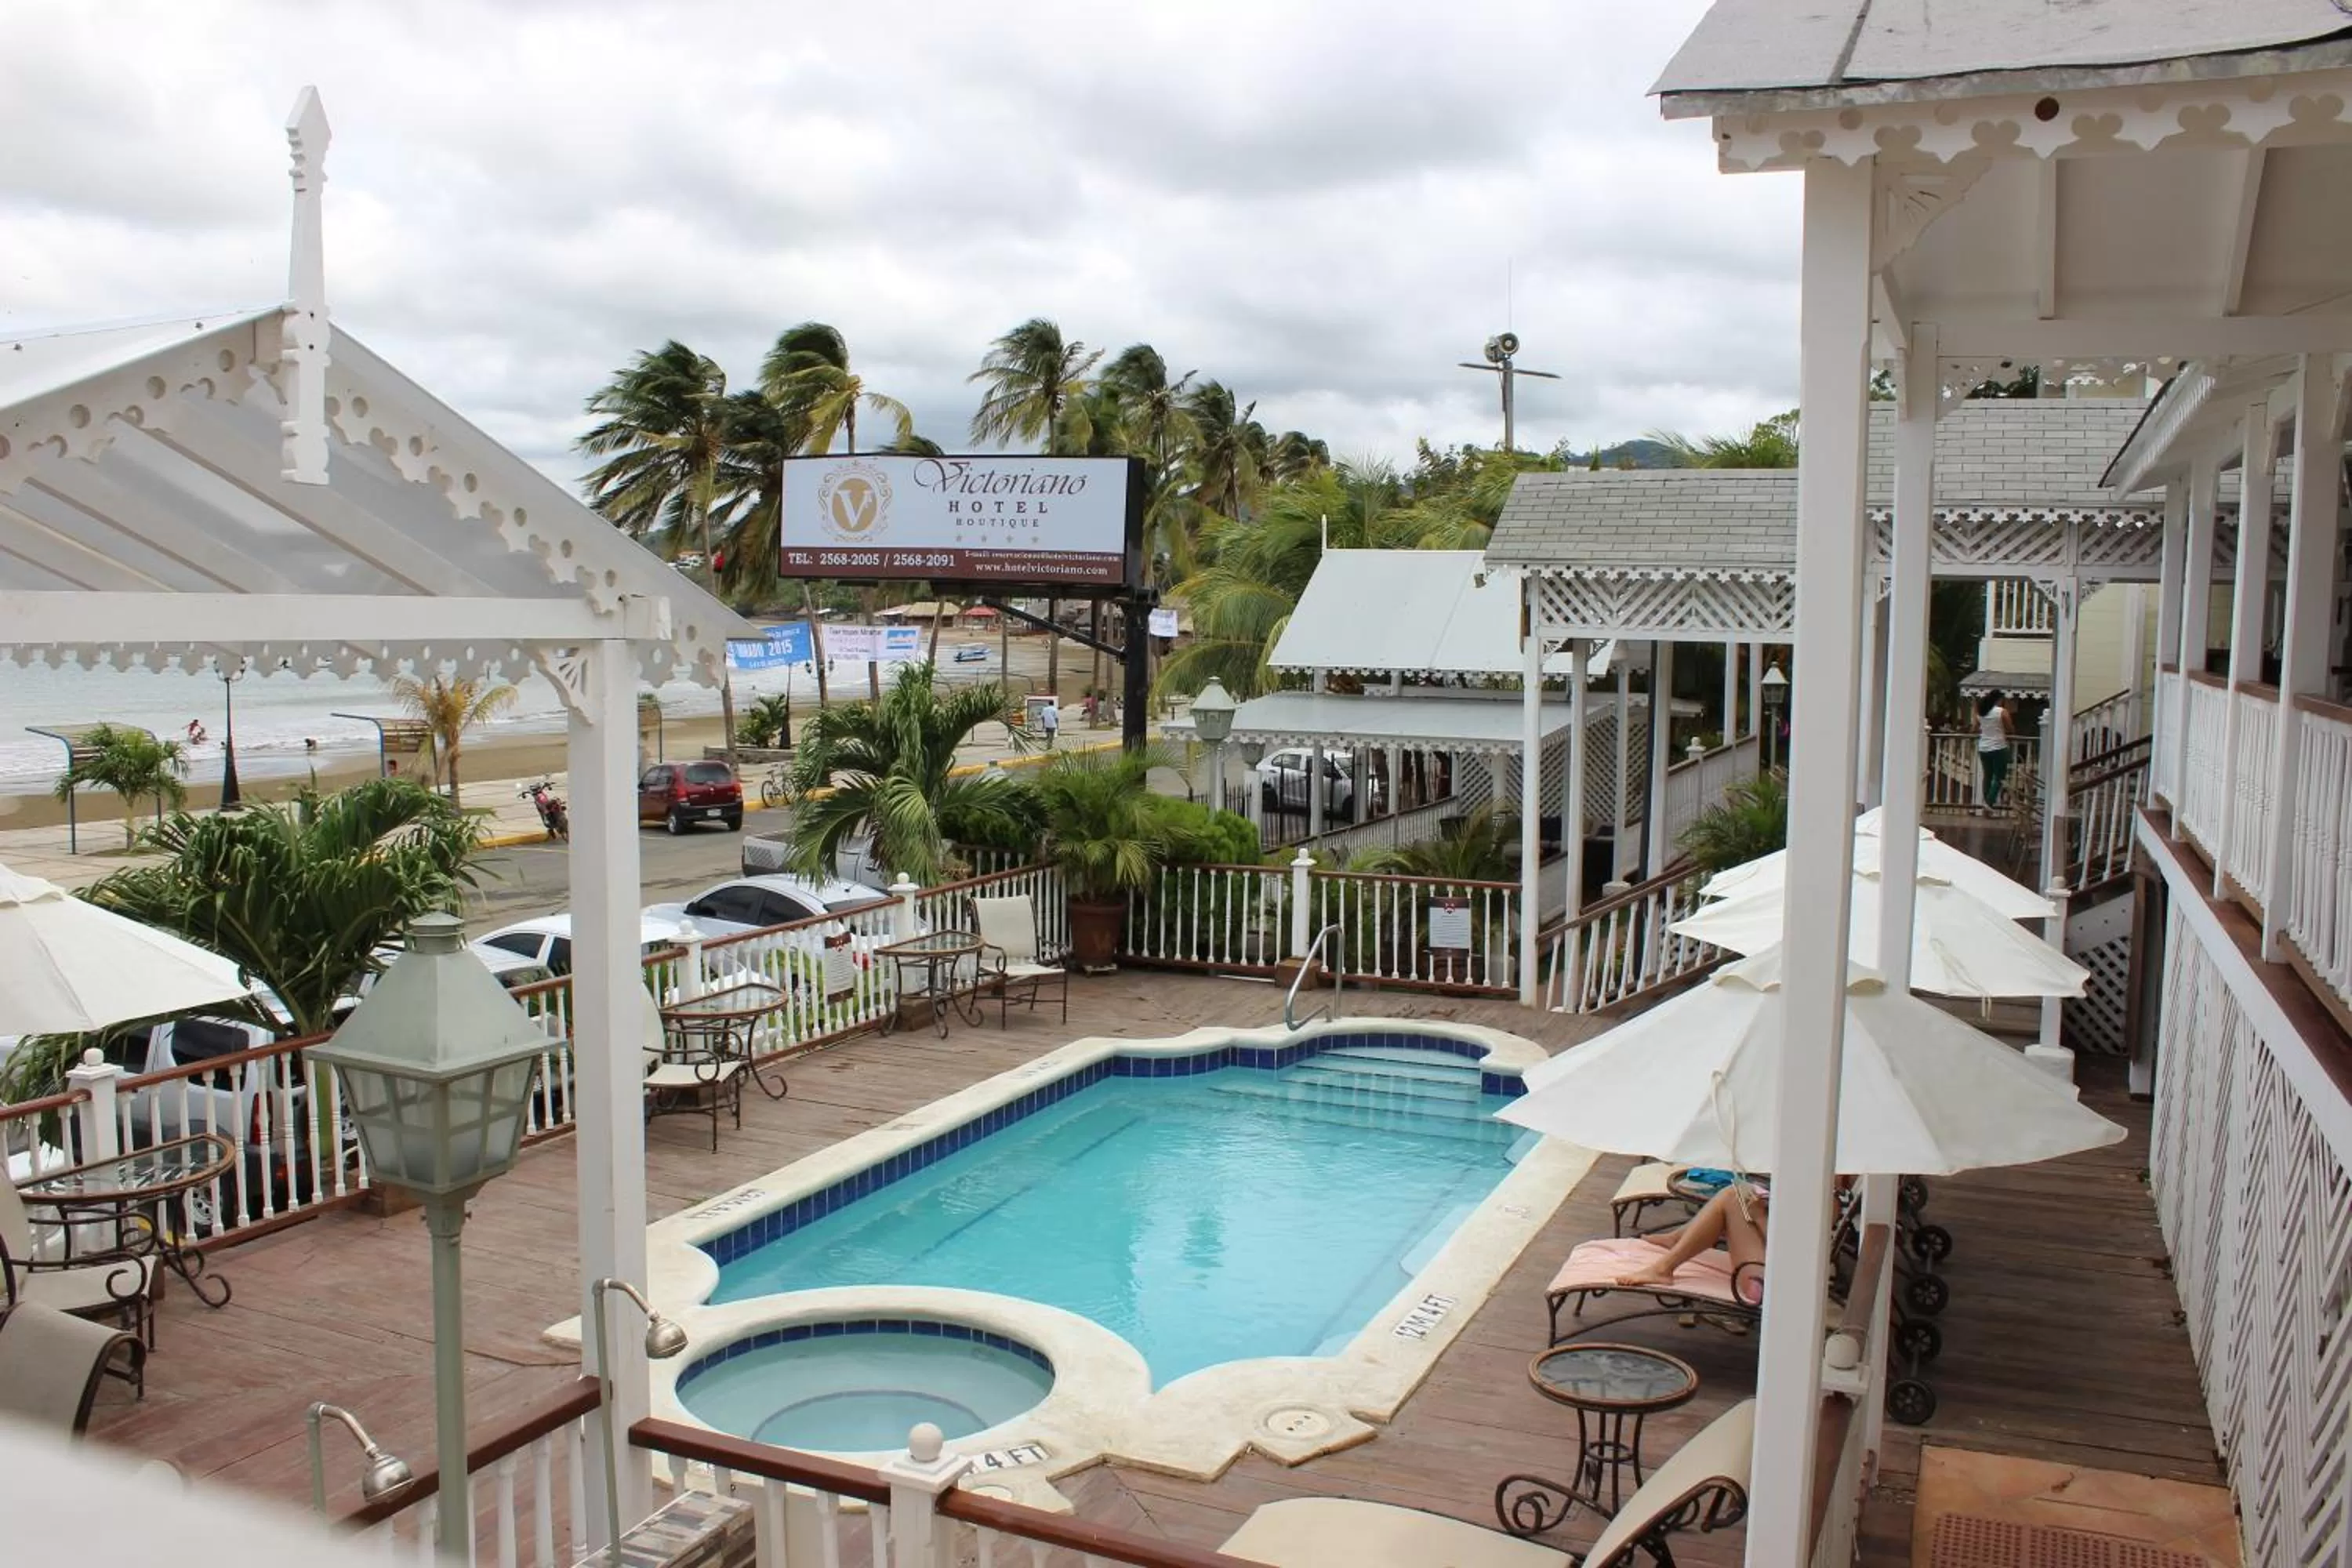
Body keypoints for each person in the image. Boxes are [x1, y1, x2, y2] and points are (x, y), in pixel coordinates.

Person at [1615, 1179, 1769, 1305]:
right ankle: (1676, 1240)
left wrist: (1759, 1217)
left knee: (1733, 1195)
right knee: (1739, 1191)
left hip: (1767, 1287)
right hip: (1769, 1273)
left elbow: (1786, 1251)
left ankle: (1663, 1268)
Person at [1976, 693, 2013, 813]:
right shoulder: (2002, 712)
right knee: (1999, 776)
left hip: (1983, 747)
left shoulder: (1981, 712)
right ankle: (1989, 802)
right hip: (1998, 747)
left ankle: (1986, 804)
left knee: (1988, 776)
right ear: (1999, 700)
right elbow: (2010, 728)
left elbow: (1974, 728)